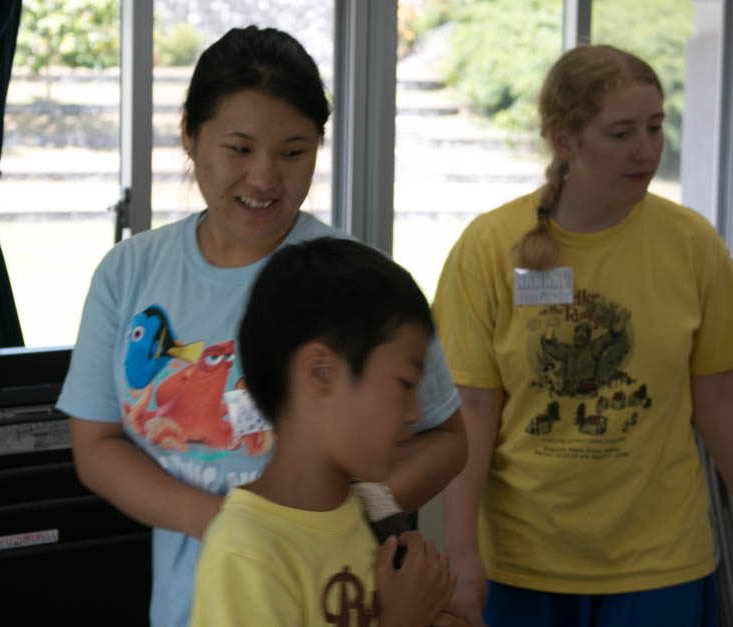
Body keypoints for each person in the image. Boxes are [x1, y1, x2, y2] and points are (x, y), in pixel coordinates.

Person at [55, 25, 468, 627]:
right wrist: (235, 528)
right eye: (240, 149)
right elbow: (96, 447)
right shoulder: (130, 272)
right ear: (191, 137)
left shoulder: (355, 280)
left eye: (294, 152)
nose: (266, 178)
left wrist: (342, 518)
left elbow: (446, 437)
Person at [432, 43, 733, 627]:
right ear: (565, 142)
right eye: (621, 133)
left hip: (661, 561)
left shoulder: (695, 246)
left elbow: (718, 399)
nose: (647, 151)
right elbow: (470, 409)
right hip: (523, 560)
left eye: (655, 126)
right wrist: (461, 552)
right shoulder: (489, 248)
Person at [190, 237, 465, 626]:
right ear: (321, 373)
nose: (415, 413)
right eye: (404, 384)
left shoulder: (369, 513)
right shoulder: (246, 554)